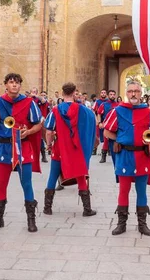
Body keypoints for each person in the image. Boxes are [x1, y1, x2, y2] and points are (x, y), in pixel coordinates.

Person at [0, 73, 43, 232]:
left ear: (20, 85)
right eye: (11, 82)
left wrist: (28, 132)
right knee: (1, 183)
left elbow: (38, 124)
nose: (14, 85)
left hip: (23, 148)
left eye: (17, 82)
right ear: (6, 85)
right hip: (4, 149)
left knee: (26, 184)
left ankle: (31, 220)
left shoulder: (29, 102)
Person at [103, 81, 150, 236]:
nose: (133, 94)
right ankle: (121, 224)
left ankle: (142, 224)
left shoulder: (148, 112)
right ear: (126, 93)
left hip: (142, 155)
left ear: (141, 94)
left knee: (142, 191)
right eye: (130, 91)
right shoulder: (117, 111)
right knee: (124, 190)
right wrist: (120, 138)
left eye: (136, 91)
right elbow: (107, 133)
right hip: (125, 156)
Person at [43, 82, 97, 216]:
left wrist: (49, 144)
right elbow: (91, 125)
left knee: (53, 175)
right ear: (74, 93)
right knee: (80, 176)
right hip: (76, 149)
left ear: (62, 94)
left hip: (59, 148)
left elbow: (49, 131)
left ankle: (47, 208)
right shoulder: (84, 110)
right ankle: (87, 209)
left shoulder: (55, 110)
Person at [97, 90, 119, 164]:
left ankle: (116, 155)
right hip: (106, 125)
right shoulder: (104, 104)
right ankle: (103, 156)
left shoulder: (118, 105)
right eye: (111, 94)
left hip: (116, 126)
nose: (112, 95)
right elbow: (99, 113)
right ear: (108, 95)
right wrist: (99, 122)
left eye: (113, 94)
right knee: (106, 141)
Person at [31, 87, 50, 163]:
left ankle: (43, 156)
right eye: (32, 91)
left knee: (41, 138)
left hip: (40, 121)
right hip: (31, 121)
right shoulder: (29, 99)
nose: (34, 93)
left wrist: (36, 96)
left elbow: (43, 101)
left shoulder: (39, 99)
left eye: (35, 91)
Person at [92, 89, 108, 156]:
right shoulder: (97, 102)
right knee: (97, 136)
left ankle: (106, 150)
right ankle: (94, 150)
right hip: (98, 121)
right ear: (100, 94)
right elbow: (93, 111)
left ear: (106, 94)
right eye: (102, 93)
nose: (103, 94)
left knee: (106, 136)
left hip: (106, 121)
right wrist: (96, 120)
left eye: (104, 93)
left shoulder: (108, 102)